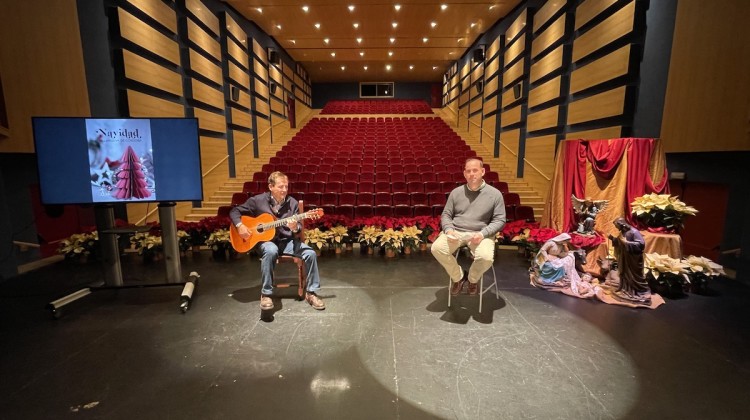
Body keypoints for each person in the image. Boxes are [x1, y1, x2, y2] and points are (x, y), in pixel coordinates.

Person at [230, 171, 325, 311]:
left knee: (310, 253)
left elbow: (298, 228)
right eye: (281, 187)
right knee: (270, 250)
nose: (284, 190)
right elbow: (234, 211)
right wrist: (240, 226)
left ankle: (311, 293)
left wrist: (294, 227)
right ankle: (266, 294)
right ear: (271, 187)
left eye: (286, 187)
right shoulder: (257, 201)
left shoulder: (292, 203)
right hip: (266, 243)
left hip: (287, 242)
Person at [431, 158, 506, 296]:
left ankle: (472, 279)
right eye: (468, 171)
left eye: (475, 170)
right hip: (456, 232)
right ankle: (459, 277)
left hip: (481, 234)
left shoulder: (495, 194)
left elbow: (500, 220)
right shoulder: (456, 192)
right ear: (464, 174)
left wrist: (483, 234)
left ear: (482, 171)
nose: (472, 174)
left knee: (486, 257)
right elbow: (446, 214)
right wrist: (449, 230)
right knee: (437, 248)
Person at [531, 233, 595, 297]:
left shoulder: (561, 245)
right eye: (566, 240)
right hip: (548, 258)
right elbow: (543, 250)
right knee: (550, 266)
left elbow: (564, 253)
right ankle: (545, 278)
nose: (566, 242)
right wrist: (546, 257)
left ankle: (556, 280)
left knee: (561, 267)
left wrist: (565, 246)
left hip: (556, 259)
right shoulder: (551, 243)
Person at [608, 217, 651, 303]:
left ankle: (640, 291)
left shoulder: (634, 232)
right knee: (624, 273)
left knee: (635, 276)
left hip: (633, 260)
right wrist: (613, 239)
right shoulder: (623, 232)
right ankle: (625, 289)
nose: (617, 228)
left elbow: (641, 244)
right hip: (625, 258)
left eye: (617, 226)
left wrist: (627, 243)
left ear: (622, 225)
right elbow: (620, 242)